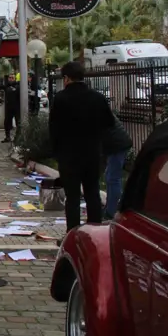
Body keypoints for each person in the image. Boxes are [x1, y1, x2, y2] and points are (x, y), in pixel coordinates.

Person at [49, 61, 115, 231]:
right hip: (92, 153)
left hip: (68, 155)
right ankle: (95, 230)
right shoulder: (97, 97)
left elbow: (54, 128)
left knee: (72, 197)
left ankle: (73, 232)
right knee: (92, 193)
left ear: (66, 78)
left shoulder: (61, 98)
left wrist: (56, 152)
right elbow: (109, 123)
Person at [101, 115, 132, 220]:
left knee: (113, 178)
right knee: (110, 176)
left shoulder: (92, 111)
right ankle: (110, 208)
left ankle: (111, 211)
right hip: (117, 143)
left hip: (117, 144)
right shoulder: (98, 107)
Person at [2, 74, 19, 143]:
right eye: (10, 78)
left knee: (18, 123)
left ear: (15, 79)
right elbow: (0, 87)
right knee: (6, 123)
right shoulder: (6, 86)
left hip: (16, 108)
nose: (11, 79)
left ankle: (17, 138)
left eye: (12, 78)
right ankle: (7, 137)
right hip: (8, 108)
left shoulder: (17, 86)